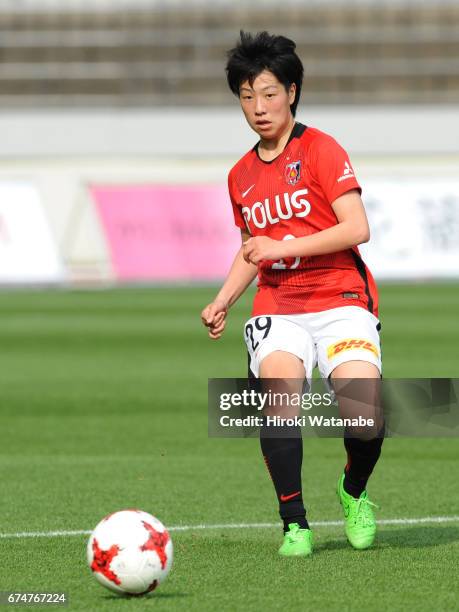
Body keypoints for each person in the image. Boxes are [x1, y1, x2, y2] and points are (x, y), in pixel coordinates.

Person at [201, 31, 384, 557]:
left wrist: (286, 243)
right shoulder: (240, 176)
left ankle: (353, 491)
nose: (258, 107)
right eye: (246, 96)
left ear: (293, 91)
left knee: (365, 416)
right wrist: (223, 300)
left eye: (269, 93)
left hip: (340, 295)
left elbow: (357, 228)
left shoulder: (322, 149)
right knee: (280, 395)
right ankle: (294, 523)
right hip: (279, 304)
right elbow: (252, 251)